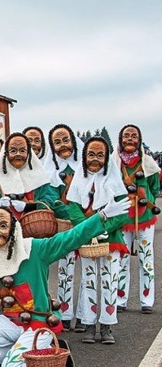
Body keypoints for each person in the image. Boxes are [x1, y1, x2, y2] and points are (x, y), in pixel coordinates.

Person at [0, 199, 130, 367]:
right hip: (12, 323)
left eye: (3, 225)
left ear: (13, 230)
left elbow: (72, 237)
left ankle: (48, 356)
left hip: (38, 324)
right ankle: (28, 357)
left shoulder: (35, 249)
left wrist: (101, 216)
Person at [66, 137, 129, 344]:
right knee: (89, 280)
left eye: (100, 155)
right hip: (86, 240)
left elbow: (122, 213)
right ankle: (90, 325)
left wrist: (103, 229)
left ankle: (107, 326)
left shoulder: (114, 181)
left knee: (110, 281)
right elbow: (73, 209)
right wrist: (88, 229)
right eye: (91, 154)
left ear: (106, 158)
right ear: (84, 157)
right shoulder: (78, 180)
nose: (95, 159)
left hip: (110, 240)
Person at [113, 124, 160, 313]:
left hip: (144, 217)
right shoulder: (114, 162)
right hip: (123, 217)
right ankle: (120, 299)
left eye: (134, 136)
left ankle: (147, 300)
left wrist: (145, 200)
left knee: (146, 258)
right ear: (120, 139)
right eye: (126, 136)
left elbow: (154, 187)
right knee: (122, 258)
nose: (130, 139)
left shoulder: (148, 162)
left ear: (139, 139)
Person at [43, 124, 84, 329]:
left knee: (88, 272)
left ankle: (86, 316)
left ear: (73, 141)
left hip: (88, 223)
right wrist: (72, 215)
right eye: (57, 142)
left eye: (65, 140)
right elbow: (51, 200)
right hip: (65, 226)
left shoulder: (86, 168)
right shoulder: (50, 172)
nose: (62, 145)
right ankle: (65, 315)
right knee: (65, 271)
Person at [0, 133, 65, 219]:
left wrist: (30, 207)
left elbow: (50, 200)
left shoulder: (39, 175)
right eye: (13, 151)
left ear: (28, 153)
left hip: (34, 225)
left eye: (22, 151)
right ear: (6, 153)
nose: (18, 154)